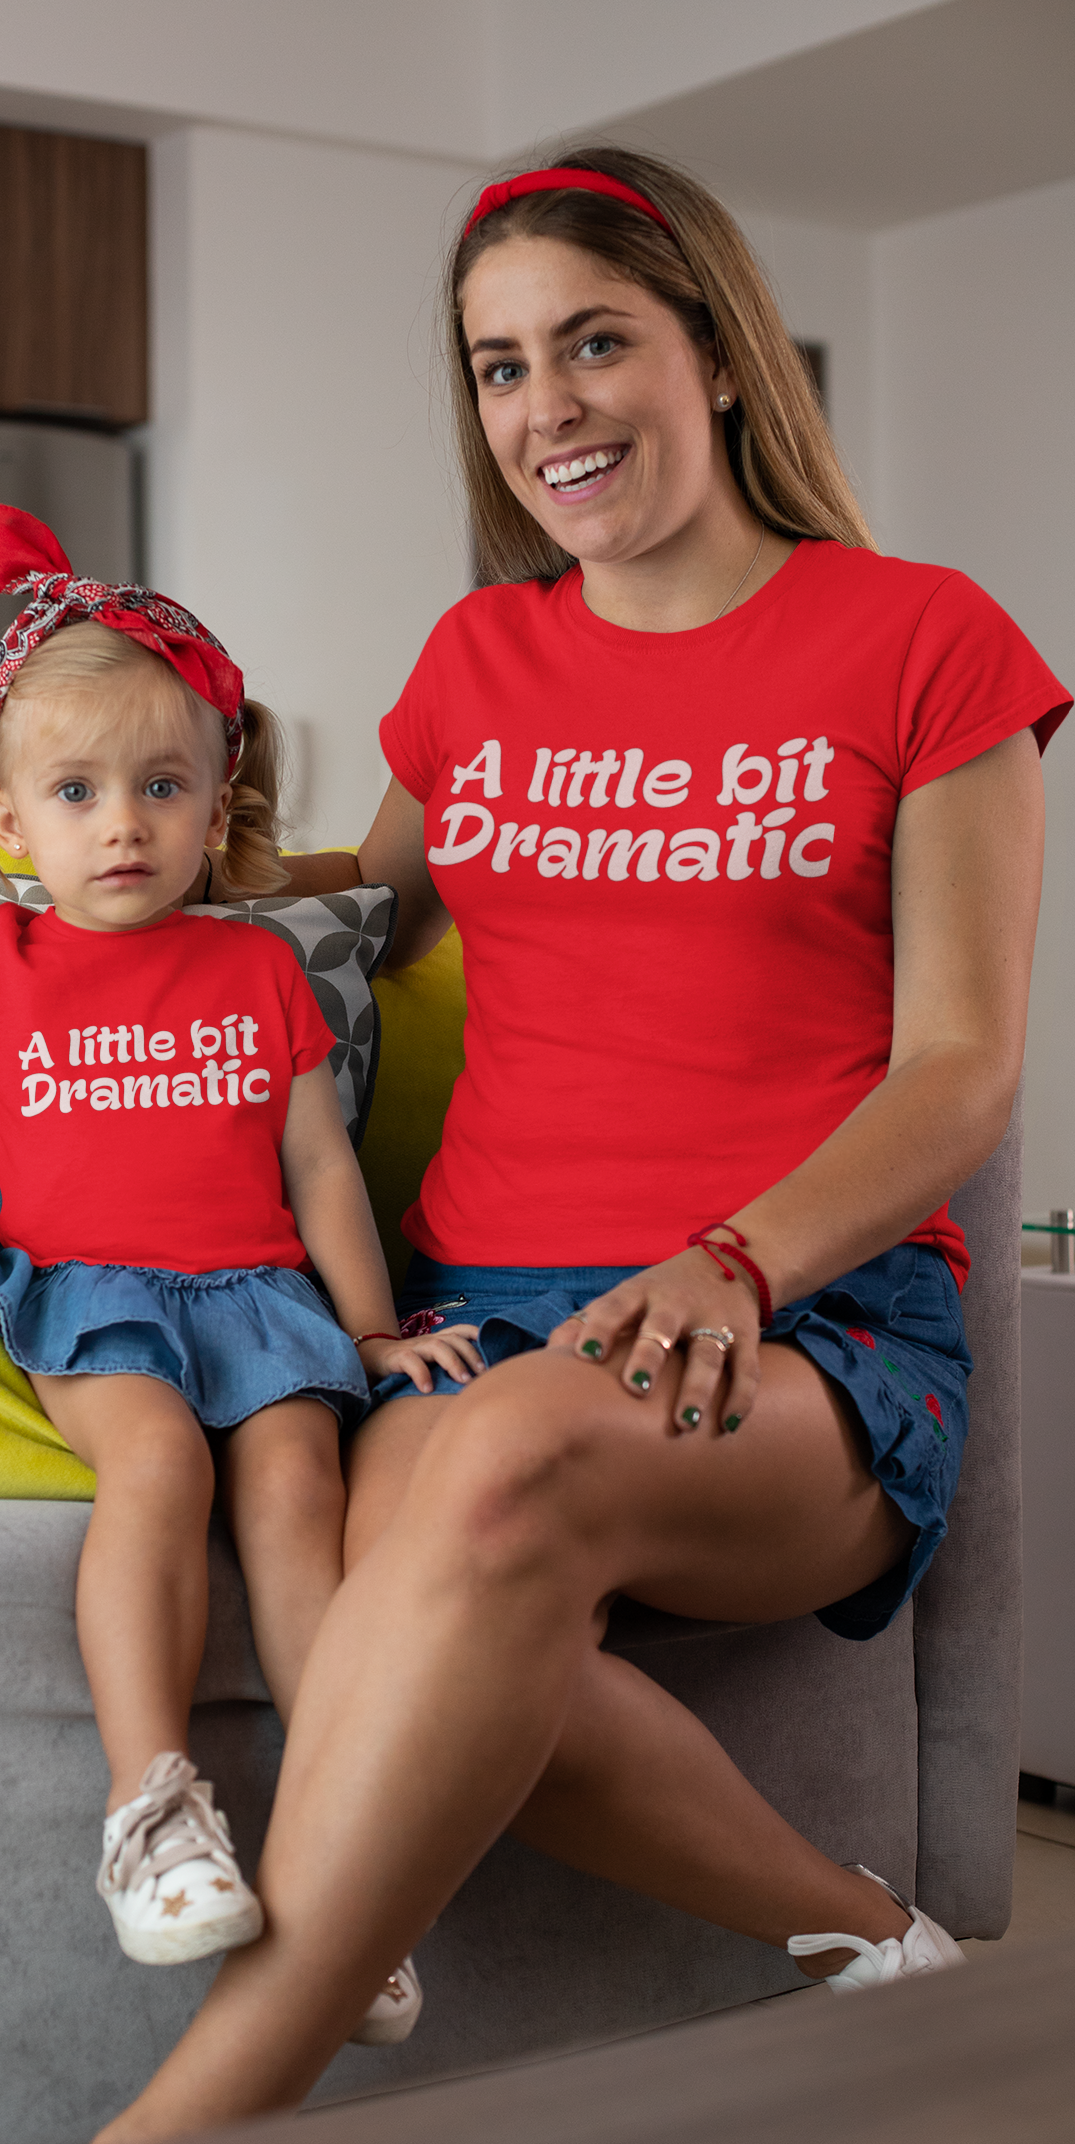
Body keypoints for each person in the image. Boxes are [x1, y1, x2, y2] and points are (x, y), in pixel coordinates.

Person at [94, 147, 1070, 2138]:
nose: (549, 408)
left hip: (805, 1331)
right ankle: (863, 1941)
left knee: (505, 1459)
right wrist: (62, 845)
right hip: (488, 1318)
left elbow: (963, 1068)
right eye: (500, 365)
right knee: (432, 1556)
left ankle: (182, 2124)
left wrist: (741, 1258)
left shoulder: (926, 644)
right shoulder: (478, 671)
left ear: (714, 349)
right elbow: (344, 912)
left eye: (595, 341)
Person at [0, 504, 476, 2033]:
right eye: (76, 793)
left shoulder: (259, 964)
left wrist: (373, 1331)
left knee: (295, 1490)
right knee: (158, 1471)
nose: (122, 824)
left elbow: (320, 1167)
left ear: (220, 805)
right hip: (98, 1295)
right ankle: (152, 1815)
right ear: (10, 821)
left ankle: (346, 1866)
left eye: (161, 787)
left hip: (265, 1303)